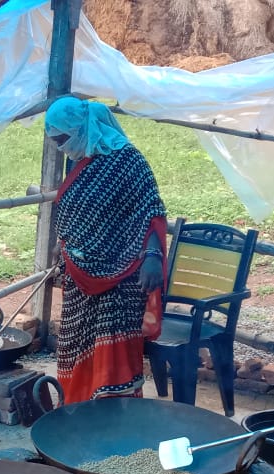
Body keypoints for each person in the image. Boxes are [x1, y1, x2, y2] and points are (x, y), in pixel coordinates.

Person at [43, 96, 168, 403]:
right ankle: (80, 414)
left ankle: (116, 421)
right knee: (75, 347)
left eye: (63, 139)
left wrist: (152, 257)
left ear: (81, 128)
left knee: (113, 353)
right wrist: (65, 246)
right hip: (79, 277)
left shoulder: (128, 160)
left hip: (121, 277)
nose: (62, 147)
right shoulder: (81, 159)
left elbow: (151, 209)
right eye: (56, 142)